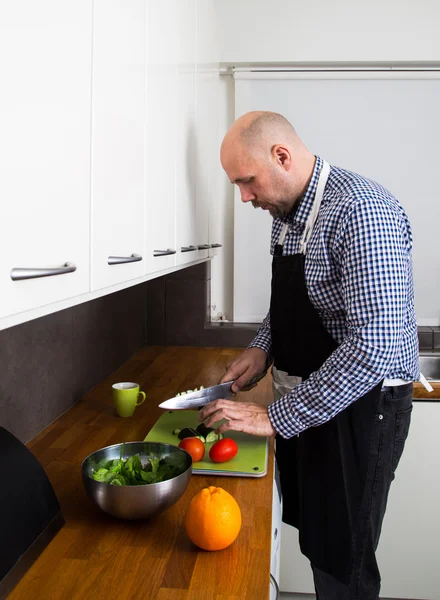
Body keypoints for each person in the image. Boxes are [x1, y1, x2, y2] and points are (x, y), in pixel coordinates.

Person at [199, 111, 420, 599]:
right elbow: (296, 301)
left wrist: (274, 418)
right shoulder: (286, 215)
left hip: (364, 411)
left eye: (247, 181)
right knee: (320, 541)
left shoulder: (362, 212)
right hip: (314, 404)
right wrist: (262, 349)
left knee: (345, 557)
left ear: (282, 156)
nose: (245, 197)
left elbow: (373, 346)